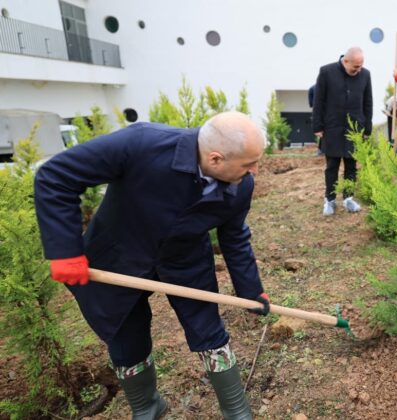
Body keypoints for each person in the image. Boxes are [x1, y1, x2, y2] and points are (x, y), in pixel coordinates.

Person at [34, 112, 270, 419]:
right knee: (125, 335)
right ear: (215, 158)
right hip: (117, 256)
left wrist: (251, 291)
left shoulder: (242, 185)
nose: (255, 170)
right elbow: (57, 176)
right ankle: (147, 407)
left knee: (208, 332)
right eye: (248, 163)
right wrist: (64, 250)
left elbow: (234, 235)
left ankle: (237, 411)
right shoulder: (141, 144)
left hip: (186, 259)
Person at [312, 47, 372, 216]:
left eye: (361, 66)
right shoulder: (326, 72)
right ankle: (329, 200)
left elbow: (368, 102)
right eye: (355, 67)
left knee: (351, 166)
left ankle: (348, 198)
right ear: (345, 61)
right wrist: (317, 126)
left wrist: (367, 128)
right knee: (332, 166)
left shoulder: (366, 75)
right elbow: (319, 101)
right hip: (332, 127)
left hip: (355, 128)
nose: (358, 70)